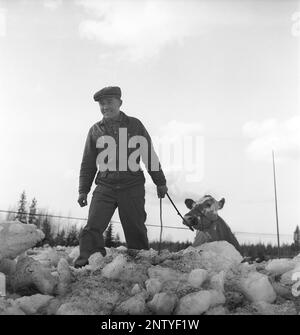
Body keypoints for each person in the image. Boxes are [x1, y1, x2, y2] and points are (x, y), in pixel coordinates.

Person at [74, 86, 168, 268]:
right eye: (101, 104)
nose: (105, 107)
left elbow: (149, 155)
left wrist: (160, 182)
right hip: (105, 186)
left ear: (120, 103)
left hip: (132, 187)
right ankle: (87, 266)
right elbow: (88, 163)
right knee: (92, 228)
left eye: (109, 102)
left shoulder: (135, 125)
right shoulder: (95, 130)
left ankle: (141, 266)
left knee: (136, 230)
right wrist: (83, 190)